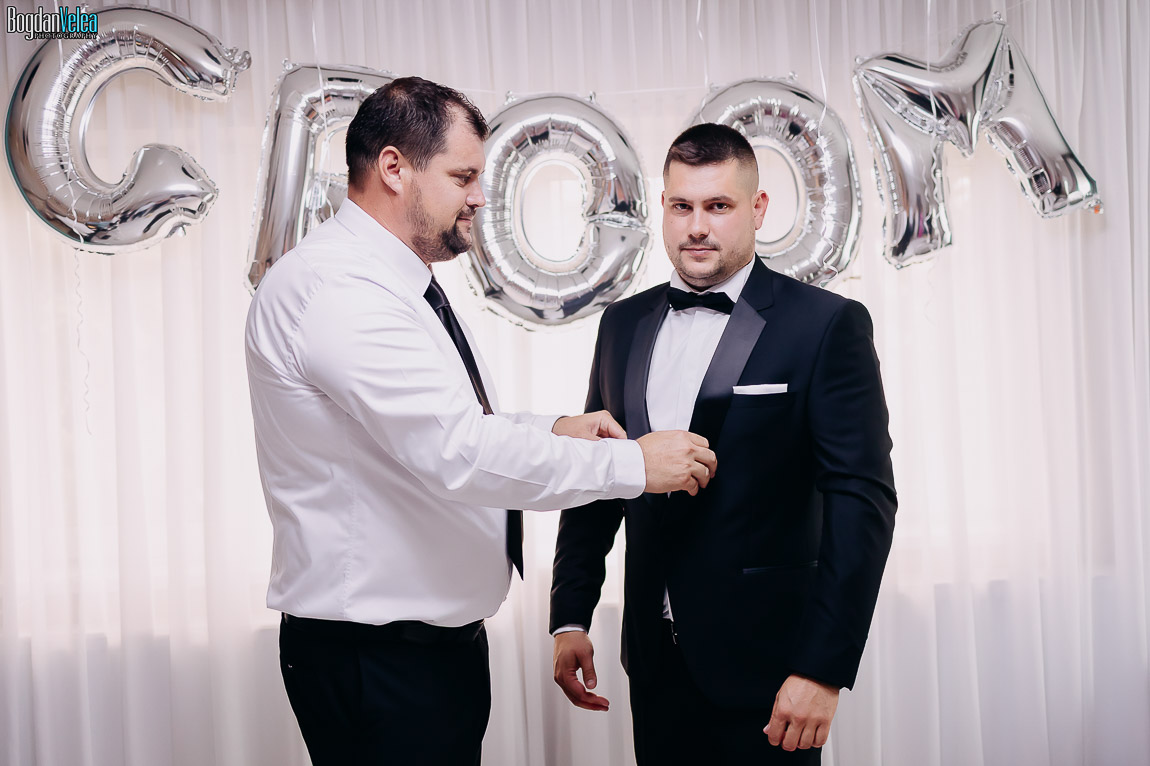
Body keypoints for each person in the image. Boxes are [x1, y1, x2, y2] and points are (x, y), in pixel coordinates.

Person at [244, 77, 717, 766]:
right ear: (395, 168)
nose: (479, 197)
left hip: (421, 651)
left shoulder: (390, 282)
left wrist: (552, 428)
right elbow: (457, 452)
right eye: (463, 176)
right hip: (378, 659)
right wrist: (635, 466)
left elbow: (444, 424)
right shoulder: (338, 290)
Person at [549, 123, 897, 765]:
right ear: (662, 206)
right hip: (653, 665)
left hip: (772, 672)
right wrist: (571, 614)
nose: (697, 227)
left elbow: (862, 505)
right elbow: (599, 470)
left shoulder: (826, 325)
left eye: (718, 206)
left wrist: (822, 669)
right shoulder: (622, 323)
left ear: (757, 209)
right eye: (682, 206)